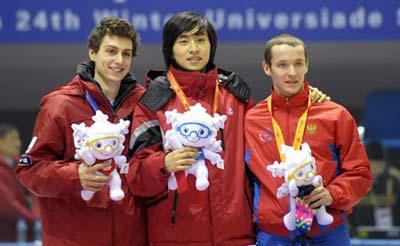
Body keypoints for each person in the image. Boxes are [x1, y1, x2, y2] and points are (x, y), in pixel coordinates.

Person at [127, 12, 328, 245]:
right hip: (174, 235)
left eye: (201, 40)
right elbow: (136, 176)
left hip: (236, 233)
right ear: (170, 49)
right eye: (184, 41)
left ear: (211, 46)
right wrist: (162, 164)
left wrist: (308, 98)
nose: (194, 48)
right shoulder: (154, 100)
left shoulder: (235, 93)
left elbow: (269, 139)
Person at [16, 17, 146, 245]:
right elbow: (30, 170)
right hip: (74, 238)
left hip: (131, 236)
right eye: (111, 51)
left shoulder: (143, 103)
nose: (119, 60)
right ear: (93, 53)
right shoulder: (60, 105)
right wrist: (76, 175)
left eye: (126, 54)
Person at [244, 34, 373, 245]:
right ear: (267, 68)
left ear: (307, 66)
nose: (292, 73)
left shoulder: (335, 115)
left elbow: (361, 173)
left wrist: (333, 194)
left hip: (328, 232)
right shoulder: (251, 120)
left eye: (298, 64)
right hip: (274, 235)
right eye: (282, 65)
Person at [0, 124, 39, 242]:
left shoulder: (18, 166)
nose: (18, 143)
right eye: (12, 139)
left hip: (21, 233)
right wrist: (35, 219)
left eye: (18, 139)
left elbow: (35, 190)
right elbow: (7, 205)